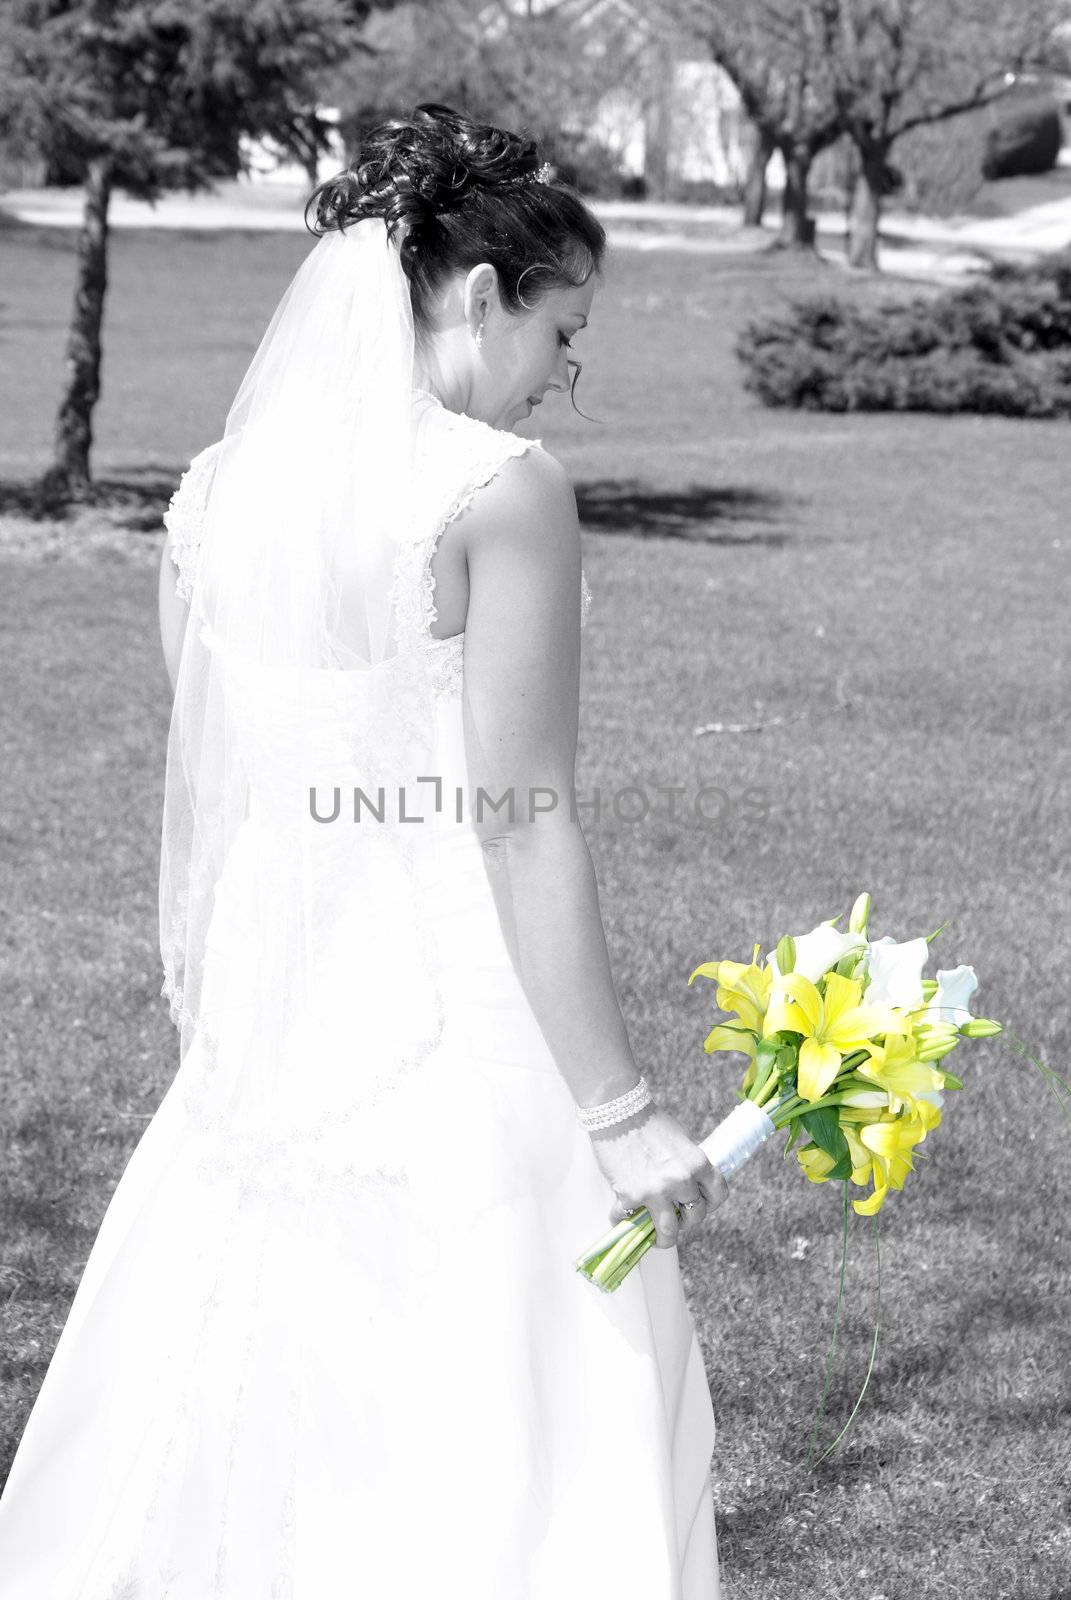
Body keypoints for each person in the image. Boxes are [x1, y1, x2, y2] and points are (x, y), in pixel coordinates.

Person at [0, 102, 729, 1596]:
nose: (561, 379)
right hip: (455, 1011)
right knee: (515, 1387)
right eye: (560, 331)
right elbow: (523, 824)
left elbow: (225, 766)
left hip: (274, 1012)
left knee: (243, 1352)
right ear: (476, 298)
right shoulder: (494, 490)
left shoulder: (210, 497)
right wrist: (618, 1108)